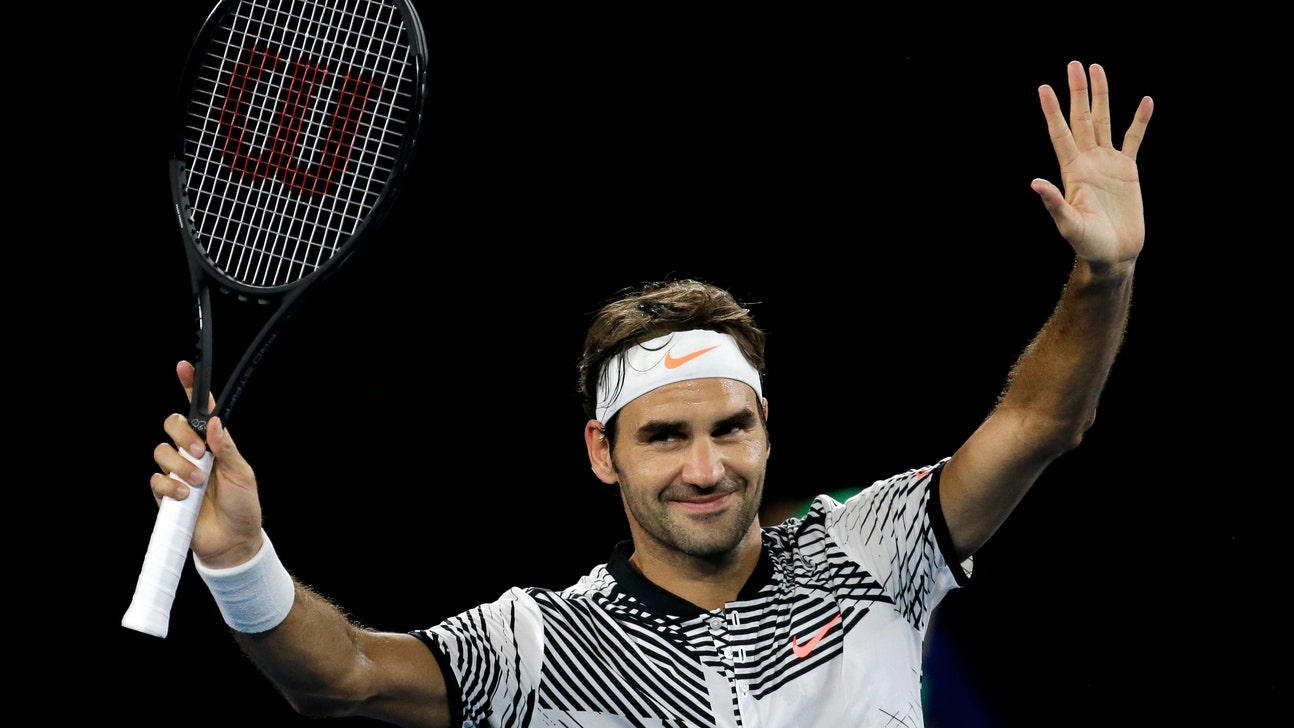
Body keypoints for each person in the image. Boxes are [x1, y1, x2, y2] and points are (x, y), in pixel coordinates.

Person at [146, 60, 1153, 727]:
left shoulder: (872, 550)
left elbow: (1041, 419)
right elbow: (344, 676)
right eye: (664, 434)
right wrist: (238, 556)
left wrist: (1101, 276)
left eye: (730, 426)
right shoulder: (541, 643)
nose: (707, 467)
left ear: (767, 427)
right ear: (601, 451)